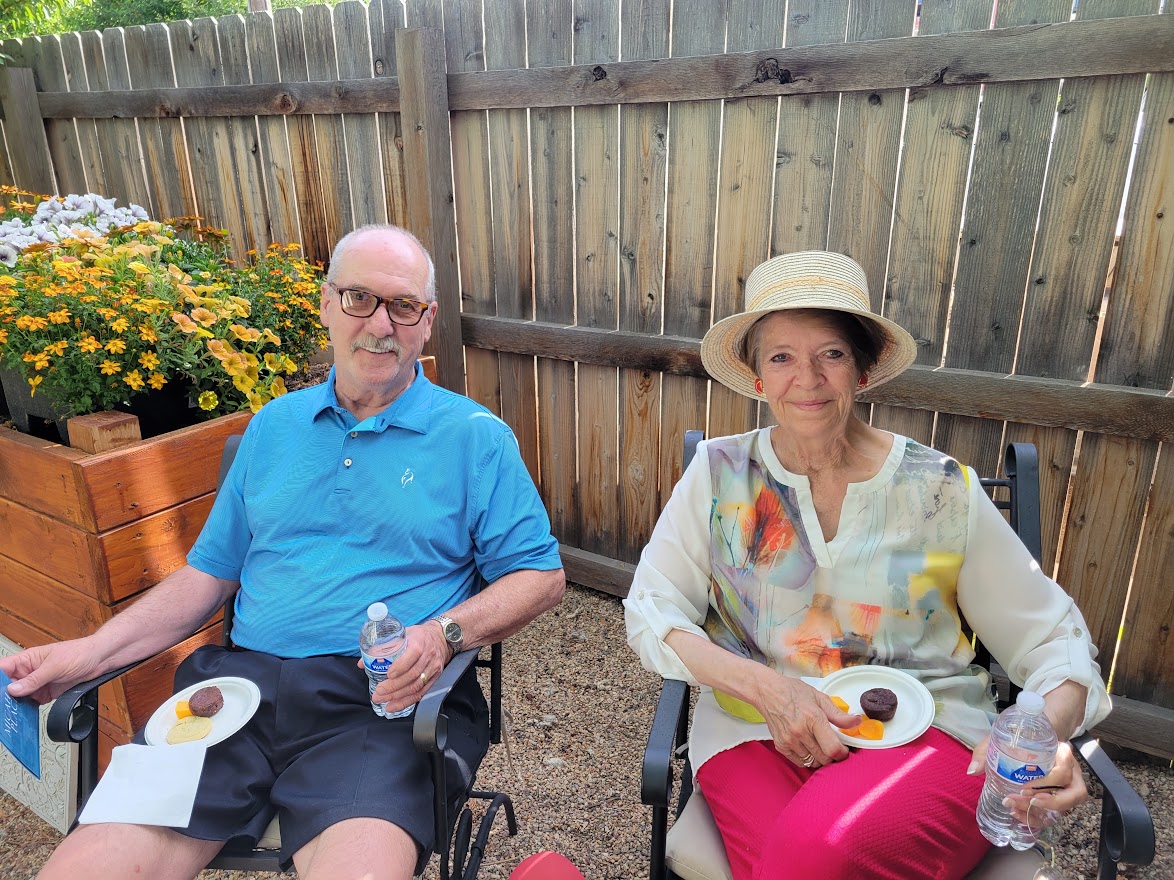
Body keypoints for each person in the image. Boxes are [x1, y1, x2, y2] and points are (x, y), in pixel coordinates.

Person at [1, 225, 566, 880]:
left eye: (403, 305)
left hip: (379, 707)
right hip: (232, 697)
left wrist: (443, 634)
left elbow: (541, 577)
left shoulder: (474, 439)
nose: (380, 325)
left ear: (427, 320)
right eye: (359, 299)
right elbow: (205, 578)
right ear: (326, 304)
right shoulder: (273, 427)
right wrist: (85, 654)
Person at [623, 250, 1110, 880]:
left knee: (808, 856)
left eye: (831, 353)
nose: (808, 378)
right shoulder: (719, 476)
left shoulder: (939, 491)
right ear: (755, 375)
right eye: (781, 357)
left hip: (927, 736)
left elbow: (1056, 641)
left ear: (863, 368)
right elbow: (652, 609)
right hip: (753, 731)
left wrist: (1044, 730)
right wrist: (769, 689)